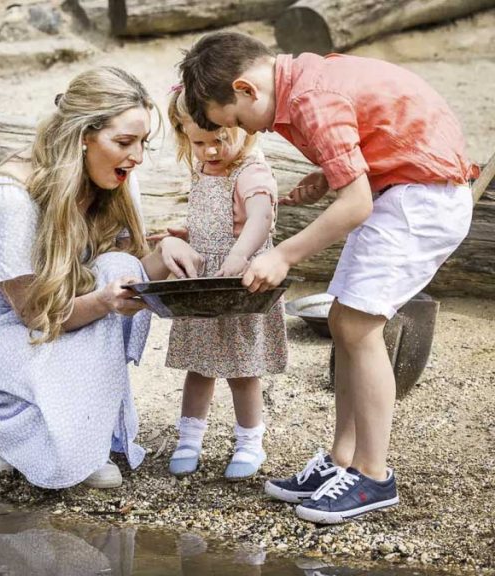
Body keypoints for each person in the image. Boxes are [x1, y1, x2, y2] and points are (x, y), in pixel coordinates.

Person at [179, 32, 476, 523]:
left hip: (422, 199)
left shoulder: (311, 97)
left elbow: (356, 205)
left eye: (234, 120)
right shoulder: (306, 79)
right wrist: (331, 175)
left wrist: (284, 257)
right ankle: (343, 461)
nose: (252, 131)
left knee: (359, 326)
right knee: (343, 320)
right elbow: (367, 149)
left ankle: (373, 477)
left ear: (246, 88)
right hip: (400, 190)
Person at [0, 66, 204, 489]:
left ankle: (78, 431)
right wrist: (103, 303)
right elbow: (36, 317)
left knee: (119, 268)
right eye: (125, 142)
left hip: (57, 311)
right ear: (83, 136)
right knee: (59, 461)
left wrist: (165, 254)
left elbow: (129, 276)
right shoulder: (9, 199)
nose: (137, 157)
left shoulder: (116, 179)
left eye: (142, 143)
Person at [162, 85, 287, 480]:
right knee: (199, 367)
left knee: (241, 370)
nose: (210, 151)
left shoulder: (251, 171)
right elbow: (213, 217)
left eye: (219, 140)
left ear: (241, 128)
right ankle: (188, 439)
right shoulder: (200, 166)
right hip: (203, 280)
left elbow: (259, 218)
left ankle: (250, 442)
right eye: (199, 143)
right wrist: (188, 233)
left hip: (239, 284)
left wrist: (237, 257)